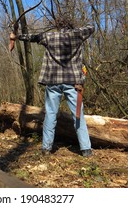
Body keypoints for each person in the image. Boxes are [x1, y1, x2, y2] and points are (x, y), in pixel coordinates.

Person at [10, 22, 95, 157]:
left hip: (53, 81)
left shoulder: (49, 37)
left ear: (58, 28)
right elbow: (91, 27)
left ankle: (46, 148)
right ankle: (86, 150)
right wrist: (75, 30)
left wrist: (16, 36)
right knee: (78, 114)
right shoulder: (78, 34)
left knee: (50, 114)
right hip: (73, 82)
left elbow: (32, 37)